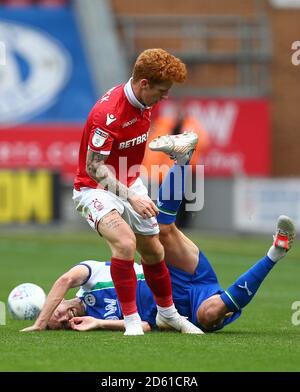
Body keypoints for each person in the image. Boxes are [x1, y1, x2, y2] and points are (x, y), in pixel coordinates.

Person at [21, 133, 296, 332]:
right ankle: (276, 252)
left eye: (57, 312)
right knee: (211, 313)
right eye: (62, 324)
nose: (65, 316)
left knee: (163, 231)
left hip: (172, 273)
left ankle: (182, 158)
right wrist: (98, 323)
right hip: (184, 312)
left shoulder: (89, 277)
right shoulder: (91, 319)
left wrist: (40, 323)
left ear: (53, 302)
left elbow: (65, 279)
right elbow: (141, 325)